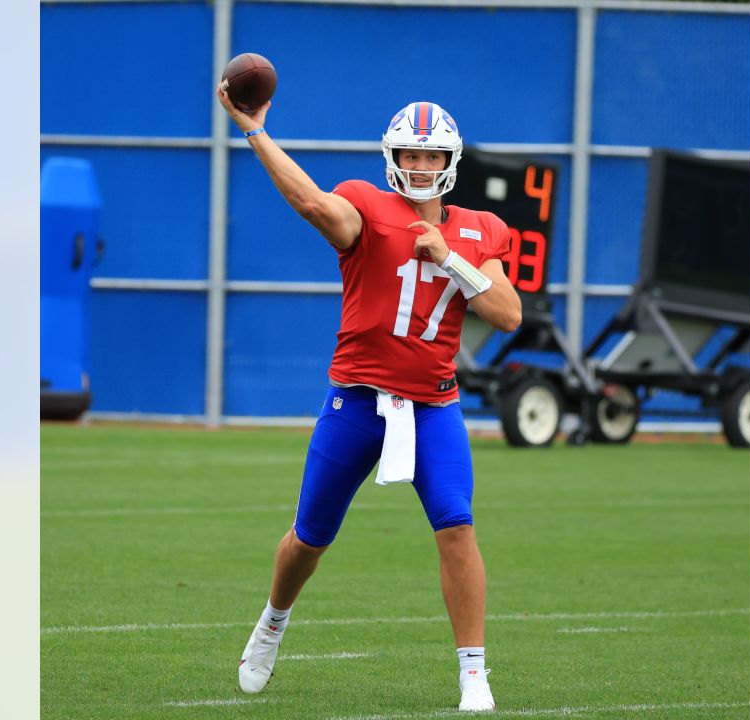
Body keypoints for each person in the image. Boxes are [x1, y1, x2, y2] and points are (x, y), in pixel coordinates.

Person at [216, 85, 522, 713]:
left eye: (431, 156)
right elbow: (310, 202)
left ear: (449, 163)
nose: (419, 166)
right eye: (410, 154)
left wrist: (452, 261)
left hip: (434, 406)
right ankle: (272, 622)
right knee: (310, 537)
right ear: (393, 157)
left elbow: (509, 313)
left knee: (457, 528)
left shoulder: (479, 229)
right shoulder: (366, 205)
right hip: (358, 402)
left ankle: (474, 675)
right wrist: (255, 131)